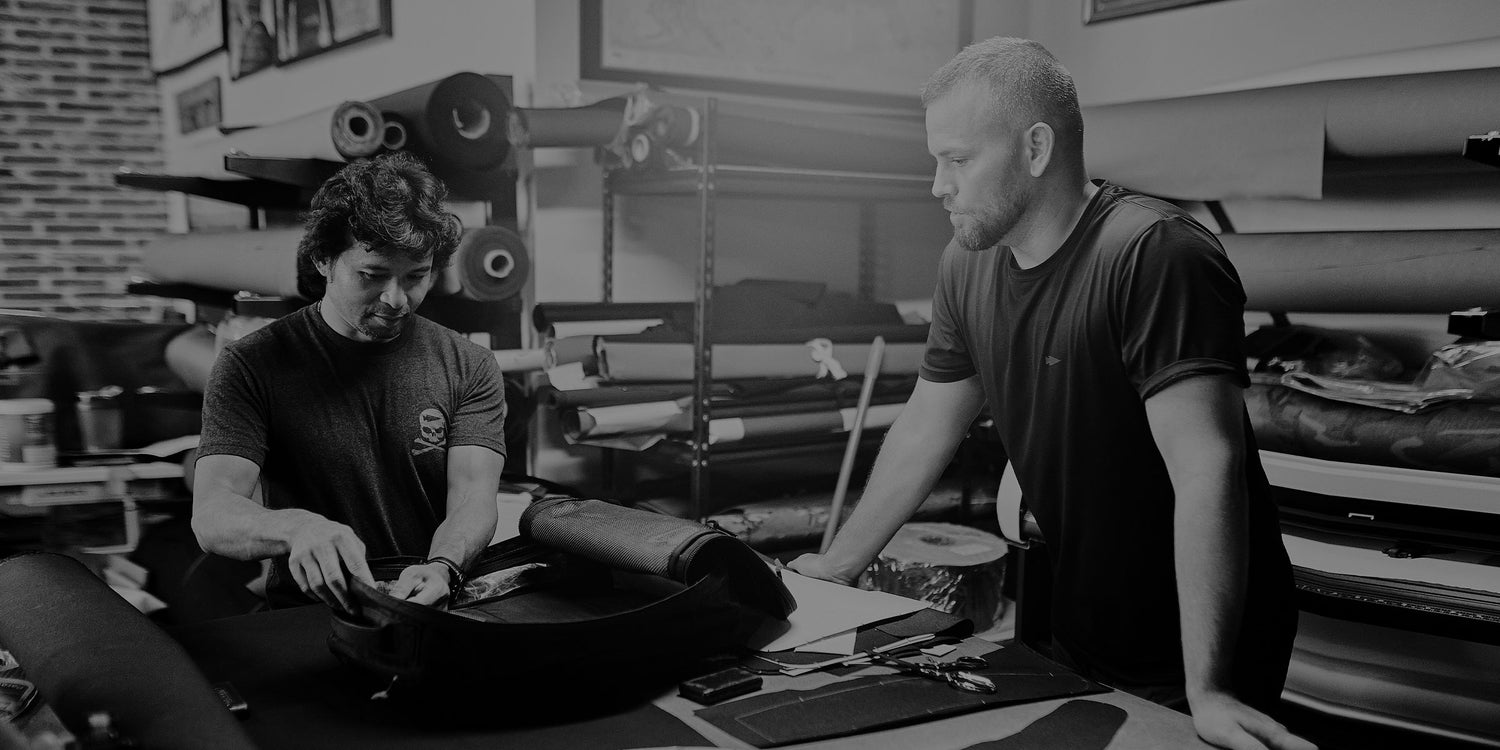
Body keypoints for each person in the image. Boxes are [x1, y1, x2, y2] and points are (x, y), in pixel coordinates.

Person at [790, 37, 1314, 750]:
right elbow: (926, 427)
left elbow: (1206, 470)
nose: (938, 186)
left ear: (1036, 148)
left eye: (958, 160)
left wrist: (1210, 690)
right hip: (1084, 620)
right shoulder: (967, 264)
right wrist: (838, 566)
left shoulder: (1155, 253)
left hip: (1202, 644)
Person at [192, 152, 506, 612]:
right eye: (372, 275)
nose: (396, 299)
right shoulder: (252, 365)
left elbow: (473, 497)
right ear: (324, 259)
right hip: (309, 615)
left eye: (416, 276)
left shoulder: (469, 365)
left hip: (429, 605)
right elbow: (212, 512)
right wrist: (297, 528)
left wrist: (444, 566)